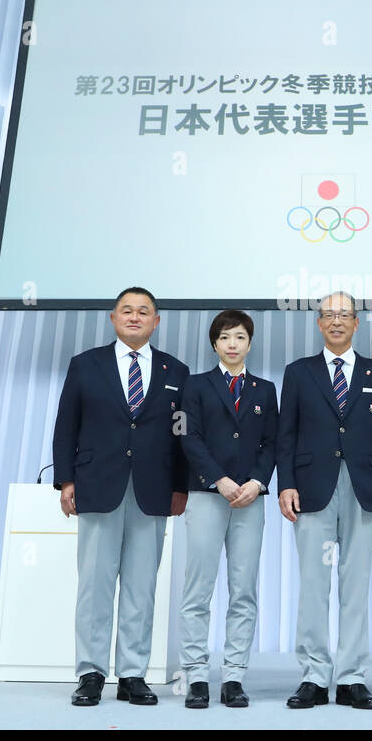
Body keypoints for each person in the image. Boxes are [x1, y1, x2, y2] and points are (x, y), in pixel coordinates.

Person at [52, 287, 189, 708]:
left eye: (143, 311)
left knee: (141, 586)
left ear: (156, 321)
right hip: (97, 485)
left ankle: (133, 674)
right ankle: (90, 673)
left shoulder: (176, 371)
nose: (134, 317)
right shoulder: (85, 364)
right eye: (126, 311)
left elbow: (182, 433)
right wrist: (65, 480)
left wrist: (181, 485)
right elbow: (66, 426)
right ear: (113, 318)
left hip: (153, 490)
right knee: (94, 585)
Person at [276, 292, 372, 710]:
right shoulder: (298, 372)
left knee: (356, 584)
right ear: (318, 323)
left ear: (356, 323)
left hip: (365, 489)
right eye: (328, 315)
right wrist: (286, 483)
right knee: (313, 583)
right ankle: (313, 674)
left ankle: (350, 677)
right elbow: (286, 435)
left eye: (344, 315)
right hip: (312, 489)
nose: (336, 322)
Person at [177, 309, 278, 709]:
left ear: (249, 343)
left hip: (251, 499)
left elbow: (273, 442)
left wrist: (257, 481)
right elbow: (188, 436)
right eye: (224, 338)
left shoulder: (266, 390)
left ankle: (234, 676)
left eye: (239, 337)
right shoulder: (195, 386)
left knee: (244, 591)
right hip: (207, 495)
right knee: (197, 589)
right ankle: (197, 676)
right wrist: (218, 479)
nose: (232, 344)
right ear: (214, 344)